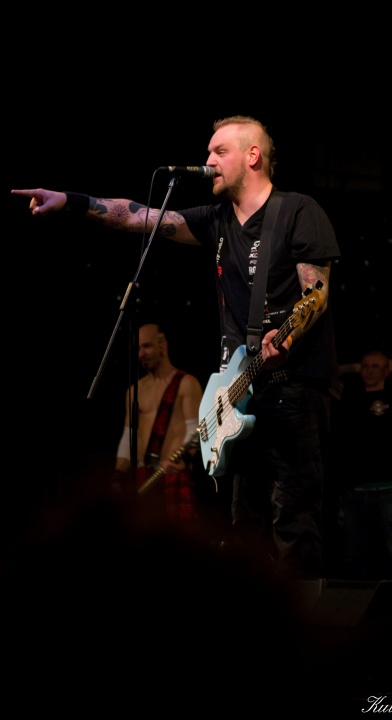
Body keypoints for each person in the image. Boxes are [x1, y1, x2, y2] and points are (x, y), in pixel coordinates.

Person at [11, 114, 341, 584]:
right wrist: (70, 201)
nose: (207, 161)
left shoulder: (298, 211)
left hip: (293, 390)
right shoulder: (216, 220)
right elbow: (139, 216)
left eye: (218, 151)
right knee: (244, 522)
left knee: (294, 519)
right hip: (240, 390)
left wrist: (287, 335)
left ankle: (307, 612)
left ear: (253, 156)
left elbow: (317, 293)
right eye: (208, 152)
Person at [331, 350, 392, 584]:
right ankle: (356, 602)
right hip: (355, 490)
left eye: (375, 366)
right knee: (353, 556)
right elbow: (329, 376)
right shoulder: (351, 397)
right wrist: (354, 367)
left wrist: (389, 363)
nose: (369, 370)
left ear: (386, 370)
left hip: (388, 488)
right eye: (365, 366)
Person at [112, 321, 204, 522]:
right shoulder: (134, 391)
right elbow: (129, 436)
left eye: (146, 346)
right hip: (143, 479)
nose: (141, 354)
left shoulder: (187, 383)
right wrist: (118, 476)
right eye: (138, 349)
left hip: (173, 475)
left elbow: (196, 430)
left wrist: (183, 458)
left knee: (181, 537)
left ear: (162, 345)